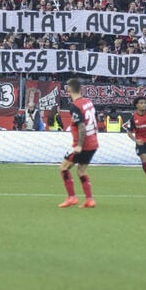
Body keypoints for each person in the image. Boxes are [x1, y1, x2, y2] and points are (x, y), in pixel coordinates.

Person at [58, 78, 99, 208]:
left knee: (64, 168)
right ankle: (89, 200)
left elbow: (81, 126)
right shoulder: (88, 102)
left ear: (68, 89)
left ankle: (72, 198)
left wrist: (79, 145)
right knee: (81, 171)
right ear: (80, 89)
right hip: (93, 143)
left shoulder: (75, 106)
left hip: (83, 144)